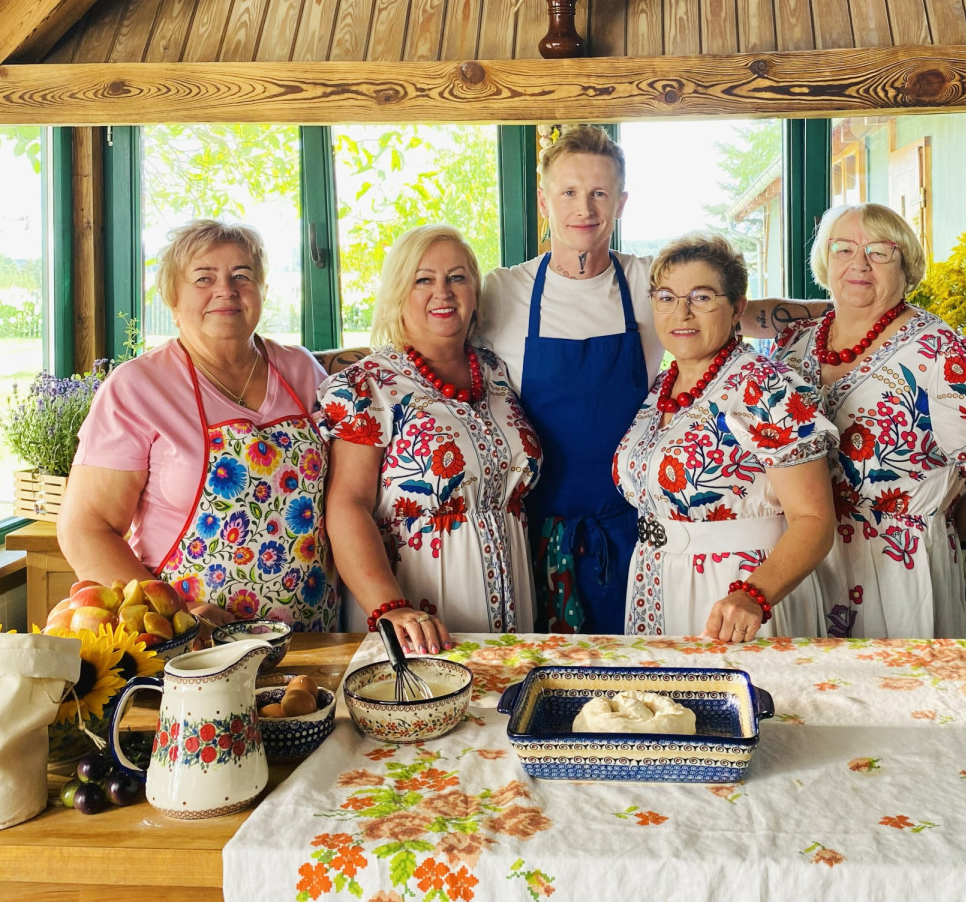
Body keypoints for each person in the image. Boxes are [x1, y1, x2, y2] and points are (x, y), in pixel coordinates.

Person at [478, 124, 821, 635]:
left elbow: (731, 310)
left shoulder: (648, 282)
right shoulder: (503, 291)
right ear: (544, 201)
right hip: (541, 535)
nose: (584, 208)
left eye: (600, 193)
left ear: (621, 203)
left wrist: (851, 313)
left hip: (638, 529)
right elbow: (433, 333)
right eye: (568, 192)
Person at [58, 219, 338, 631]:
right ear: (172, 298)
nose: (226, 290)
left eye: (242, 275)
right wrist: (177, 614)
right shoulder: (138, 387)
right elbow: (86, 528)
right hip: (194, 644)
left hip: (314, 635)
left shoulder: (302, 370)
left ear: (262, 290)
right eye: (204, 278)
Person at [776, 203, 966, 638]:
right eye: (843, 249)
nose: (859, 263)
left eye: (880, 251)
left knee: (899, 681)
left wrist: (939, 529)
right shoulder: (794, 345)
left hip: (897, 570)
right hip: (800, 564)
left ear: (907, 265)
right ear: (825, 259)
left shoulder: (943, 352)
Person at [317, 224, 541, 654]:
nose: (443, 292)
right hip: (414, 612)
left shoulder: (499, 371)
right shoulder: (369, 385)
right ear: (398, 292)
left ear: (475, 293)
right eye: (424, 279)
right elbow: (347, 504)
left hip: (512, 599)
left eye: (457, 277)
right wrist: (390, 607)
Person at [614, 234, 837, 640]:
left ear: (737, 308)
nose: (681, 312)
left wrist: (754, 595)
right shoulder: (659, 389)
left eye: (701, 297)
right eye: (666, 297)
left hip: (737, 589)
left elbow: (815, 520)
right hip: (657, 580)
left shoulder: (765, 387)